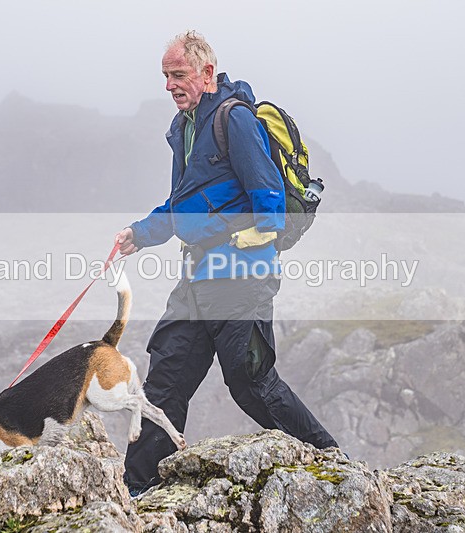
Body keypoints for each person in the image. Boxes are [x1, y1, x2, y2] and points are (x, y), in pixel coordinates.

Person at [115, 31, 338, 495]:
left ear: (206, 74)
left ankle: (332, 463)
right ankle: (136, 492)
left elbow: (267, 193)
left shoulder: (233, 119)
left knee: (251, 382)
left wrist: (258, 234)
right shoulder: (184, 128)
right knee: (164, 385)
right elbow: (184, 204)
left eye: (179, 75)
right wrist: (140, 233)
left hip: (240, 276)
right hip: (196, 279)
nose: (171, 85)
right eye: (166, 77)